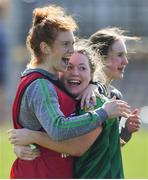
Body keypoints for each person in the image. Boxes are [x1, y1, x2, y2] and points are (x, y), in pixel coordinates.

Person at [8, 5, 131, 179]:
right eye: (66, 44)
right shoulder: (41, 84)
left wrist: (94, 85)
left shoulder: (54, 80)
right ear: (45, 48)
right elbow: (57, 128)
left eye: (72, 44)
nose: (71, 50)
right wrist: (103, 113)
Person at [88, 27, 141, 145]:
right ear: (100, 58)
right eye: (120, 55)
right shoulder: (87, 94)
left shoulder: (116, 95)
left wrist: (127, 131)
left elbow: (109, 149)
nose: (126, 61)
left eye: (125, 55)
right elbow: (83, 148)